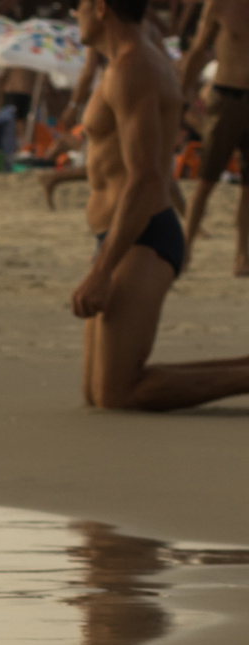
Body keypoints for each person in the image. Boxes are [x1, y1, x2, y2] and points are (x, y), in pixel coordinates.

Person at [72, 0, 249, 409]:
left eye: (78, 5)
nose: (73, 14)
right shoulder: (127, 63)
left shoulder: (133, 67)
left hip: (142, 235)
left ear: (101, 8)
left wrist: (102, 270)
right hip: (121, 235)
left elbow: (147, 176)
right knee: (96, 394)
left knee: (119, 394)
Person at [177, 0, 247, 277]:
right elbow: (197, 51)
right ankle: (185, 251)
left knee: (248, 188)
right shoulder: (220, 5)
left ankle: (243, 256)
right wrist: (182, 94)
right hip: (226, 94)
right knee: (206, 181)